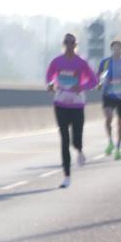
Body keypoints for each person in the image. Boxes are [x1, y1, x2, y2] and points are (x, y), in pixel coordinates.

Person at [45, 33, 98, 188]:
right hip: (60, 103)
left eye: (72, 43)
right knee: (64, 139)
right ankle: (67, 176)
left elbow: (94, 81)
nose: (69, 45)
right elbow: (49, 77)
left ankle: (80, 150)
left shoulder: (81, 62)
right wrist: (50, 85)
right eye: (66, 42)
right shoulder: (56, 61)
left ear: (76, 45)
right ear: (63, 44)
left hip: (77, 104)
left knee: (76, 139)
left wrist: (81, 86)